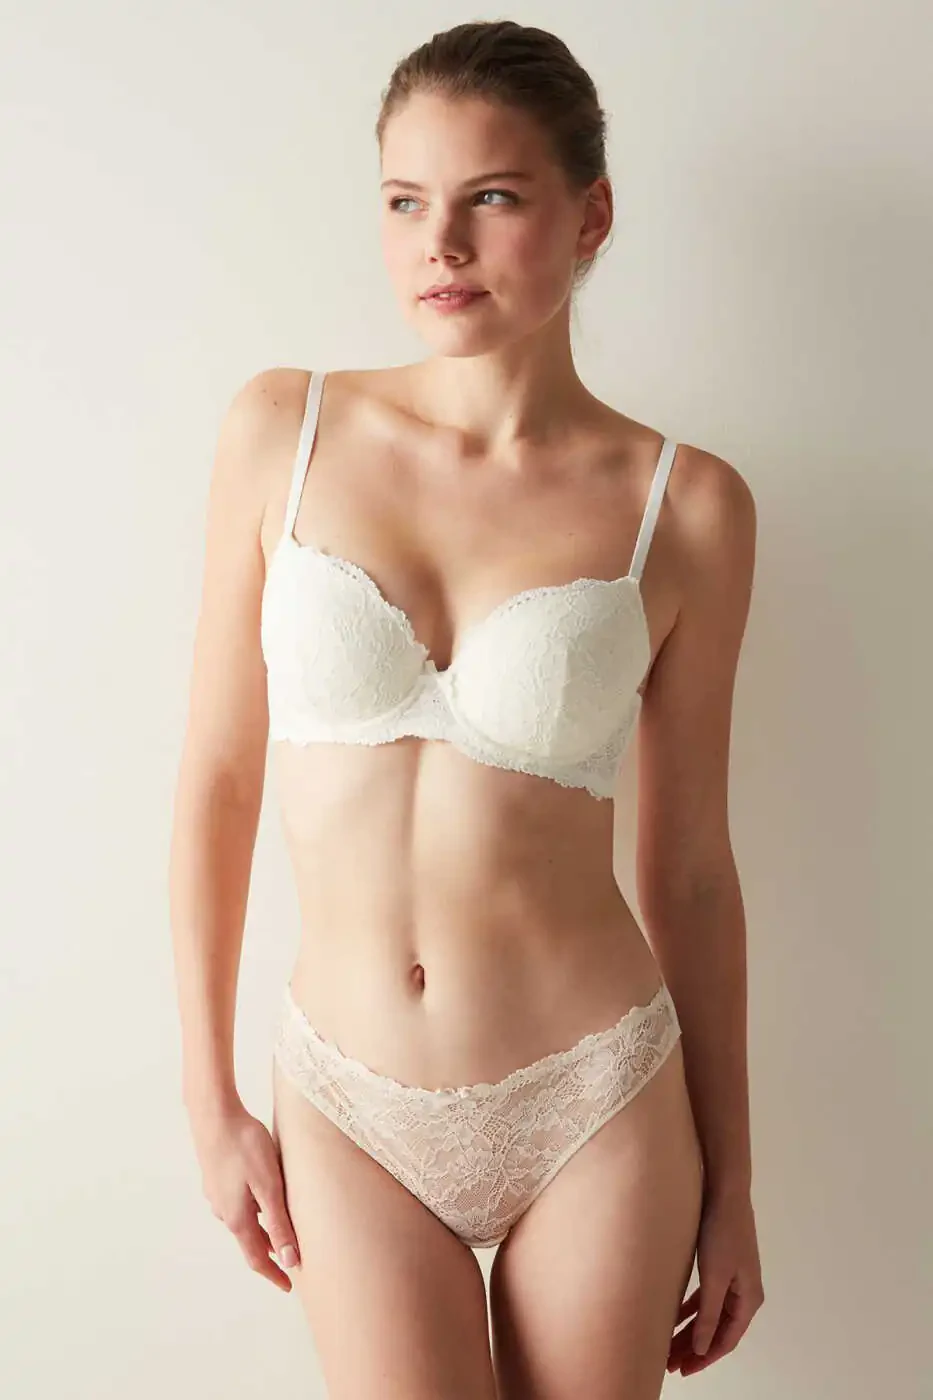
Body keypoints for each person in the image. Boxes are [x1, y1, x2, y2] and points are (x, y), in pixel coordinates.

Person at [169, 18, 763, 1400]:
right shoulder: (281, 431)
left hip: (597, 1093)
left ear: (590, 215)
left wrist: (735, 1183)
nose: (439, 245)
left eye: (491, 197)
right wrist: (209, 1101)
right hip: (349, 1098)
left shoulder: (687, 507)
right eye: (404, 201)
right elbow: (215, 782)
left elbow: (690, 869)